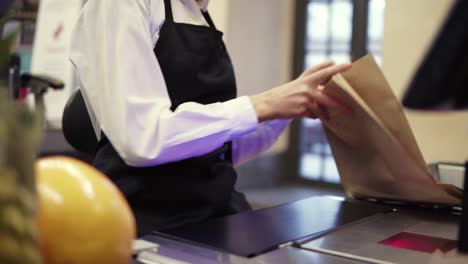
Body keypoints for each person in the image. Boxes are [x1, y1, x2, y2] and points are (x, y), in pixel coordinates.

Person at [69, 0, 351, 236]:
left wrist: (286, 109)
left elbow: (220, 149)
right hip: (146, 218)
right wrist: (263, 104)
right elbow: (143, 139)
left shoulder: (199, 12)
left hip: (216, 211)